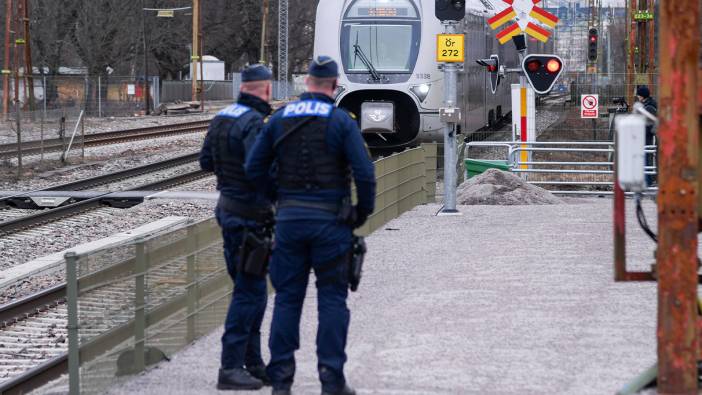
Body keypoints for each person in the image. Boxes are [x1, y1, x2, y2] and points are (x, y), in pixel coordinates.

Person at [246, 56, 376, 395]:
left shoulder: (279, 119)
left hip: (289, 221)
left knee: (287, 299)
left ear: (307, 83)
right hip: (331, 223)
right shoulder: (341, 120)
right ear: (334, 85)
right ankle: (331, 379)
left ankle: (282, 381)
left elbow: (253, 169)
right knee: (332, 300)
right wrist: (360, 213)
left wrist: (277, 201)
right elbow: (364, 172)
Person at [199, 64, 275, 391]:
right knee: (250, 293)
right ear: (265, 89)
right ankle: (230, 367)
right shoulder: (253, 123)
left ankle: (254, 364)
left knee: (249, 289)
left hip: (228, 211)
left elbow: (205, 162)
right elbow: (259, 171)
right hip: (249, 219)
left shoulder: (222, 117)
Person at [636, 86, 658, 186]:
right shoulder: (648, 105)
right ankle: (647, 181)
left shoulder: (648, 107)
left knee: (646, 158)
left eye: (638, 95)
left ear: (642, 96)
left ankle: (648, 182)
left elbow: (650, 123)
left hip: (646, 136)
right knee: (645, 157)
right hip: (646, 135)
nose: (637, 97)